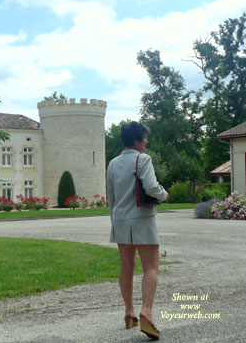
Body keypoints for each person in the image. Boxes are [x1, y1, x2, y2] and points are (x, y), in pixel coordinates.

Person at [106, 121, 168, 340]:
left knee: (126, 267)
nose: (146, 141)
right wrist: (164, 195)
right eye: (144, 138)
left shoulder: (112, 163)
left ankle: (129, 313)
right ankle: (147, 313)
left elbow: (110, 195)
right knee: (150, 267)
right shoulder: (143, 159)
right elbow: (151, 186)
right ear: (137, 141)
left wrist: (115, 217)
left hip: (120, 219)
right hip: (142, 218)